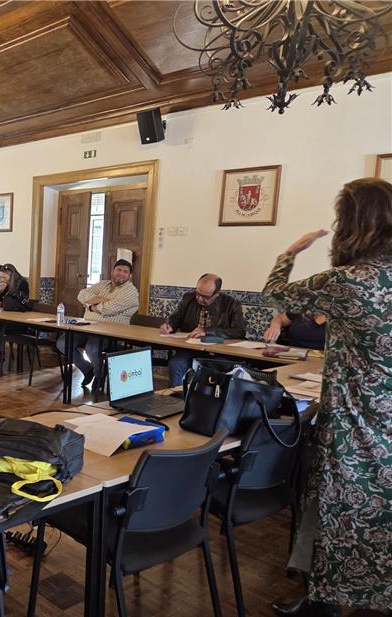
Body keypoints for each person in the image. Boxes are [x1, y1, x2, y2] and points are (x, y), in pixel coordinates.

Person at [263, 178, 391, 617]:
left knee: (338, 505)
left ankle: (327, 601)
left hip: (357, 419)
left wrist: (290, 252)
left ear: (353, 225)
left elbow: (275, 293)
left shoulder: (348, 281)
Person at [56, 259, 139, 386]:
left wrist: (90, 305)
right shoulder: (103, 284)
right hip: (87, 327)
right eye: (119, 270)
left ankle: (99, 375)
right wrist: (100, 300)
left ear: (130, 275)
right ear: (112, 271)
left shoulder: (131, 291)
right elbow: (81, 294)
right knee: (62, 343)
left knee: (92, 349)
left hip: (111, 333)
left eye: (125, 271)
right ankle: (87, 369)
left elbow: (109, 309)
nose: (121, 273)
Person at [159, 273, 246, 386]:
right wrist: (170, 325)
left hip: (219, 352)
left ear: (217, 294)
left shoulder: (231, 303)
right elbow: (176, 318)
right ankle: (176, 396)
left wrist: (207, 331)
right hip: (191, 349)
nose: (199, 298)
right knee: (176, 364)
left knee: (218, 368)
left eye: (205, 297)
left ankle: (210, 397)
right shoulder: (188, 298)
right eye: (197, 294)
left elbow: (239, 331)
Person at [0, 263, 31, 366]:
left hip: (18, 320)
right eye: (1, 277)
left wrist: (1, 303)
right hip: (5, 317)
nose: (2, 280)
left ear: (11, 275)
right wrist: (0, 292)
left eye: (4, 277)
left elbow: (13, 303)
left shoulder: (21, 284)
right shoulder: (6, 283)